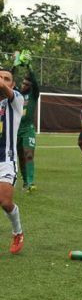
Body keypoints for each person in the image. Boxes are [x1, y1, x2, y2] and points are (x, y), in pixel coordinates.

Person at [0, 67, 25, 254]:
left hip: (6, 159)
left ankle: (18, 232)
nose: (2, 80)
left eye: (6, 78)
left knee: (5, 201)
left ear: (13, 84)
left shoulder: (16, 100)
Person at [16, 56, 39, 191]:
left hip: (28, 129)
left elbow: (35, 81)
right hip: (16, 130)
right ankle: (25, 181)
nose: (23, 85)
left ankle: (31, 182)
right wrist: (15, 65)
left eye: (26, 84)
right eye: (23, 83)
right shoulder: (17, 94)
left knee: (28, 154)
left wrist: (29, 65)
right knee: (21, 157)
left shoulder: (33, 94)